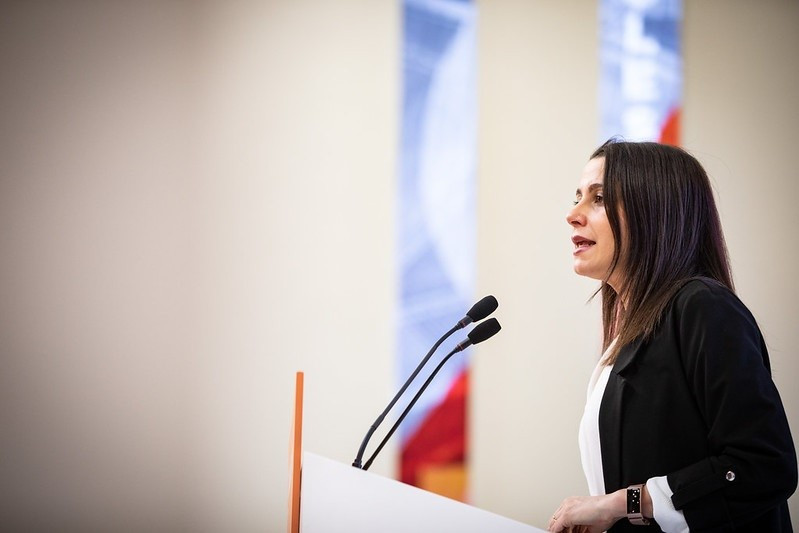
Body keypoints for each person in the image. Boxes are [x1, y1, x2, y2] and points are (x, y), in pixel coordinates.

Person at [548, 140, 797, 532]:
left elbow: (764, 466)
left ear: (653, 211)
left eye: (599, 199)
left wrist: (622, 504)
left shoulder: (703, 307)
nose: (572, 215)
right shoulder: (631, 332)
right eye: (577, 197)